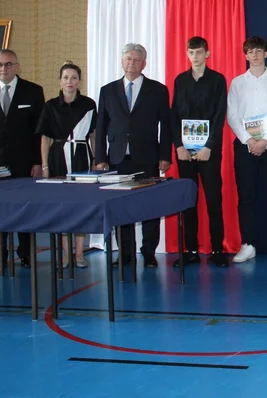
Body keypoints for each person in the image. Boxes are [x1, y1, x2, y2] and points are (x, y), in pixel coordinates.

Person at [94, 43, 172, 268]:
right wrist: (100, 158)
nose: (132, 63)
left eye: (137, 60)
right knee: (121, 208)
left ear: (144, 64)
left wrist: (164, 155)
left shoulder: (158, 90)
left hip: (147, 158)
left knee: (150, 207)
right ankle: (125, 254)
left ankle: (149, 253)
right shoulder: (107, 90)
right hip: (117, 159)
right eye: (128, 59)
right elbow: (101, 126)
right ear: (122, 62)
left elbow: (166, 126)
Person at [0, 48, 45, 270]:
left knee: (25, 208)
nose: (3, 68)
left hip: (24, 163)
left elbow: (39, 132)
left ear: (17, 66)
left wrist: (38, 161)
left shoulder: (33, 91)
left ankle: (26, 253)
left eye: (8, 64)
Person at [227, 36, 267, 264]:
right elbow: (232, 115)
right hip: (244, 146)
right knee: (246, 197)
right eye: (250, 51)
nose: (254, 55)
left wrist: (264, 140)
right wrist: (248, 140)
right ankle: (248, 244)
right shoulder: (237, 83)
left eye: (258, 51)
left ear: (266, 54)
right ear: (245, 55)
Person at [170, 36, 228, 268]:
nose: (195, 56)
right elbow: (174, 115)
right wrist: (178, 146)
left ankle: (218, 250)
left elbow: (219, 115)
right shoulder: (180, 80)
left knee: (214, 200)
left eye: (199, 52)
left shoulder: (217, 80)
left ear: (207, 54)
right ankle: (191, 250)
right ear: (187, 54)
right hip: (185, 152)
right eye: (191, 52)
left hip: (208, 152)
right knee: (188, 201)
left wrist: (208, 147)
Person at [37, 62, 96, 268]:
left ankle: (79, 253)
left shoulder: (88, 104)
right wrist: (45, 165)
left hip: (81, 157)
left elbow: (94, 135)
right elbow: (45, 138)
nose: (69, 81)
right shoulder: (50, 106)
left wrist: (95, 160)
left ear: (79, 81)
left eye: (73, 77)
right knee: (61, 205)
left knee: (81, 204)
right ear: (60, 81)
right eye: (65, 77)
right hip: (58, 159)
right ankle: (65, 254)